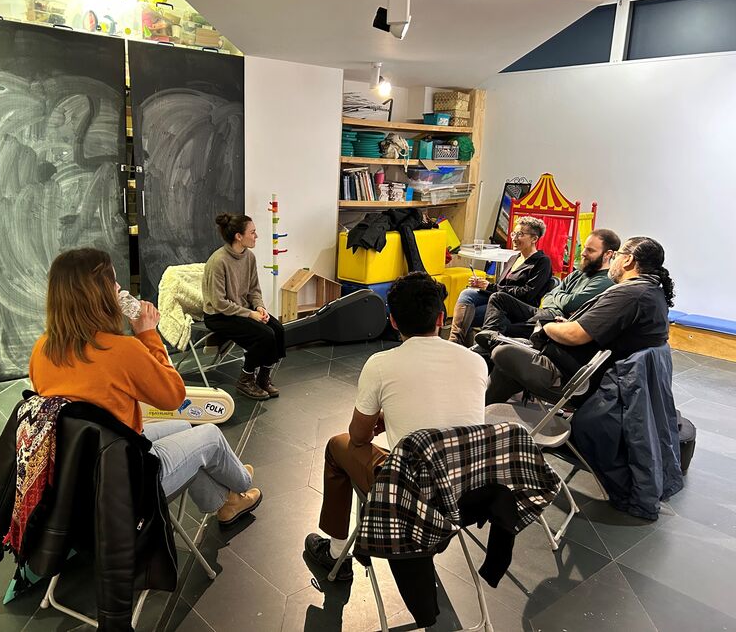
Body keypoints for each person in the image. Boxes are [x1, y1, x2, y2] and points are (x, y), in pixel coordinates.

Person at [29, 248, 262, 527]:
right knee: (210, 436)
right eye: (113, 282)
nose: (120, 288)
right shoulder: (121, 350)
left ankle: (226, 503)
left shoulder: (42, 349)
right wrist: (148, 334)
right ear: (99, 293)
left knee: (184, 429)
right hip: (126, 482)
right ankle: (242, 482)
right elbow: (173, 396)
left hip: (77, 475)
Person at [303, 272, 487, 580]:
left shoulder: (381, 364)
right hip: (466, 495)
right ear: (441, 317)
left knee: (338, 445)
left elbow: (359, 437)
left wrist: (380, 418)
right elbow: (449, 415)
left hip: (411, 498)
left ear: (393, 322)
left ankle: (336, 553)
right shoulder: (476, 362)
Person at [485, 236, 674, 405]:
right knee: (512, 358)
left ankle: (478, 417)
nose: (614, 260)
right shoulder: (650, 292)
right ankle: (481, 415)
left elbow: (575, 336)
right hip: (587, 369)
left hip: (575, 380)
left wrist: (549, 326)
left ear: (628, 260)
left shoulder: (631, 295)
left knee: (503, 352)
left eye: (617, 255)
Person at [473, 229, 621, 350]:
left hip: (555, 322)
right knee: (498, 298)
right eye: (584, 248)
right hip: (543, 311)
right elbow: (550, 295)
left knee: (504, 326)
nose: (583, 253)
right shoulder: (578, 273)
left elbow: (571, 304)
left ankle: (486, 347)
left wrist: (558, 296)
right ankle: (489, 339)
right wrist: (559, 297)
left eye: (590, 250)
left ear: (608, 254)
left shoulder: (605, 281)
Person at [203, 212, 286, 401]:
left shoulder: (249, 257)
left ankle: (263, 378)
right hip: (218, 315)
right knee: (264, 334)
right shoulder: (218, 261)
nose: (256, 236)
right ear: (238, 237)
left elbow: (254, 289)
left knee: (278, 329)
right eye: (253, 232)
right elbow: (219, 303)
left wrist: (259, 308)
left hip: (242, 309)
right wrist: (249, 314)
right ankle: (246, 379)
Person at [448, 216, 553, 346]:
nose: (514, 238)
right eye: (514, 233)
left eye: (520, 234)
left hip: (518, 307)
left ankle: (460, 346)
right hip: (498, 299)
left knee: (467, 316)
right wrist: (483, 285)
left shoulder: (542, 262)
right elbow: (500, 286)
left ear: (534, 239)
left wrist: (491, 287)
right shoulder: (514, 258)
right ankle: (455, 342)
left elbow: (528, 293)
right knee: (467, 294)